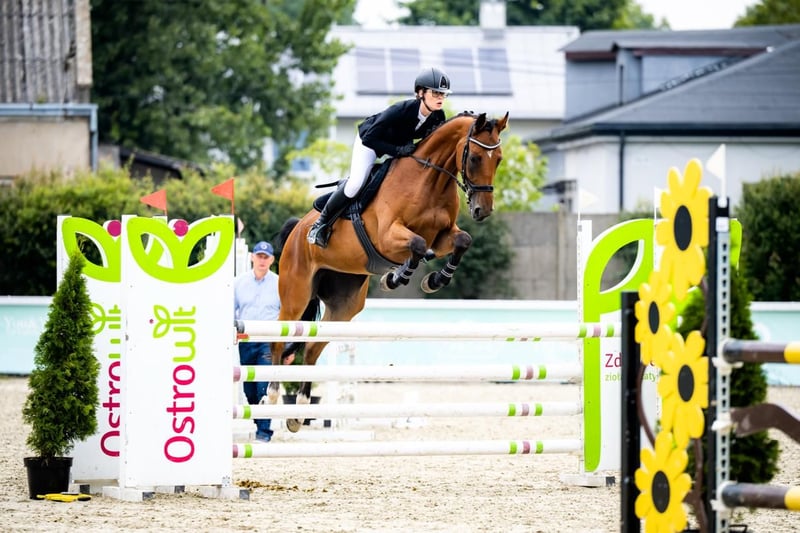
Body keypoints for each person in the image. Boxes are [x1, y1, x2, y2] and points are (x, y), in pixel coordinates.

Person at [307, 66, 452, 248]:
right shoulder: (401, 110)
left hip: (399, 148)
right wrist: (398, 150)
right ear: (420, 93)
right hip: (369, 144)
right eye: (435, 93)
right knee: (355, 184)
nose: (440, 98)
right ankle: (320, 224)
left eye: (443, 94)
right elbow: (370, 138)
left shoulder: (438, 117)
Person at [233, 240, 281, 443]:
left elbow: (286, 313)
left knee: (263, 384)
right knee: (249, 390)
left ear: (272, 260)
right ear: (252, 257)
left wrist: (286, 347)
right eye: (259, 256)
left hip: (268, 341)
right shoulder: (238, 282)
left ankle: (264, 432)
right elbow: (232, 309)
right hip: (246, 340)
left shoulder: (279, 283)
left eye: (265, 257)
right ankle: (259, 422)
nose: (262, 260)